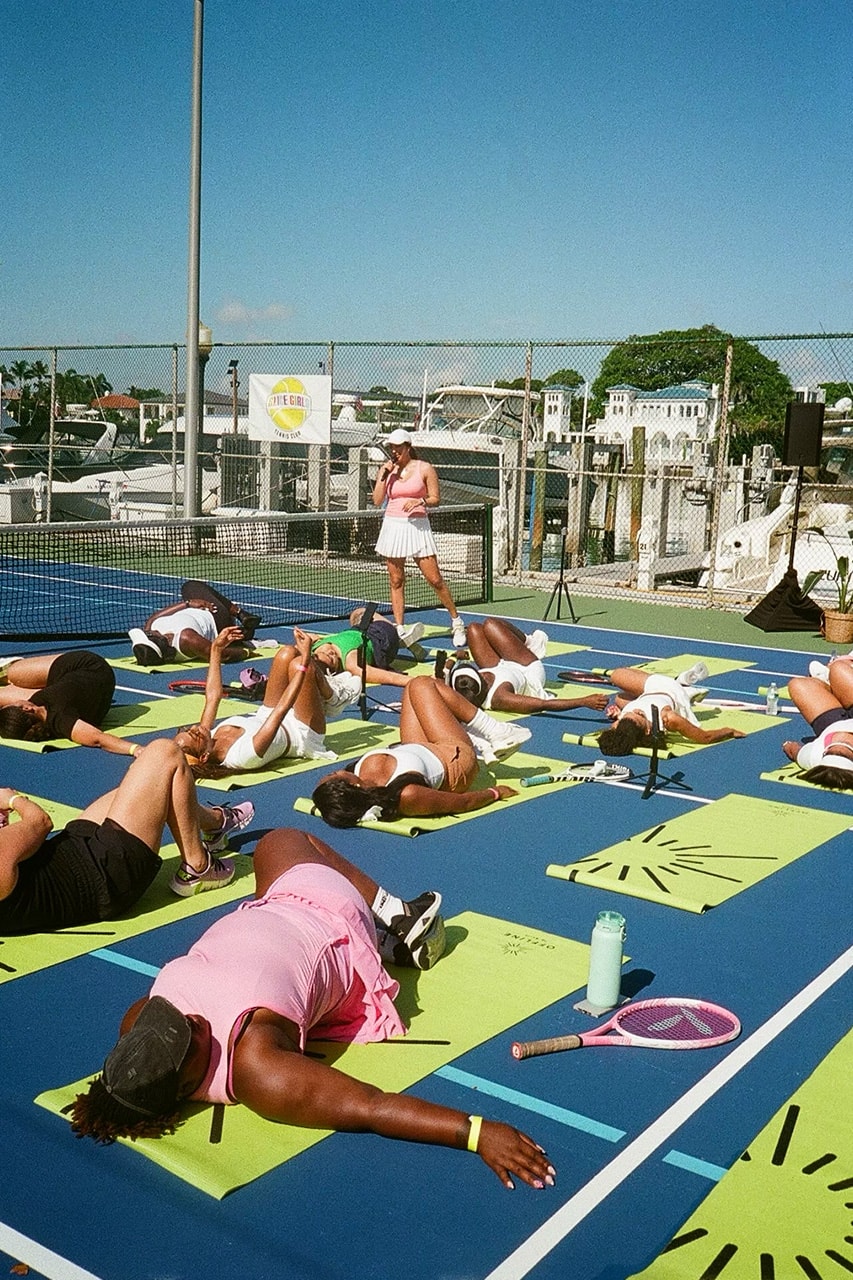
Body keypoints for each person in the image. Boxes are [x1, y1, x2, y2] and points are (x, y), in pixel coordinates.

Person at [67, 827, 556, 1193]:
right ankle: (392, 920)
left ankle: (392, 931)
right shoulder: (259, 1068)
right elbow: (370, 1107)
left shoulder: (141, 1025)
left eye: (168, 1018)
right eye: (186, 1037)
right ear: (184, 1084)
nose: (188, 1019)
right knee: (296, 841)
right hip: (329, 920)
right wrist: (476, 1133)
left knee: (273, 841)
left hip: (270, 906)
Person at [0, 738, 245, 933]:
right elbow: (40, 822)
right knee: (165, 753)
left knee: (150, 782)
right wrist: (13, 799)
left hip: (73, 854)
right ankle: (198, 865)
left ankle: (215, 823)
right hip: (106, 872)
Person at [311, 675, 530, 828]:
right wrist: (495, 793)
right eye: (332, 775)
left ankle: (478, 737)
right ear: (352, 786)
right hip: (454, 758)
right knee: (423, 685)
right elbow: (461, 803)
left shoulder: (357, 772)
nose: (332, 771)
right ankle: (495, 731)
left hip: (417, 749)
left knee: (412, 688)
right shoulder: (406, 796)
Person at [174, 626, 339, 777]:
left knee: (286, 653)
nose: (196, 728)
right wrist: (305, 660)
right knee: (297, 665)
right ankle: (334, 697)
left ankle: (321, 685)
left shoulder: (206, 737)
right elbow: (281, 709)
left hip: (267, 714)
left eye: (188, 729)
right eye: (194, 735)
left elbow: (213, 696)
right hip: (301, 731)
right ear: (204, 757)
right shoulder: (242, 756)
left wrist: (216, 649)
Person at [373, 428, 466, 649]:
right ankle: (399, 627)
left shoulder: (424, 468)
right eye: (391, 448)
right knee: (396, 580)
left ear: (407, 447)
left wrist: (420, 501)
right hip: (393, 526)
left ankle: (457, 622)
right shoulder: (388, 471)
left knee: (435, 579)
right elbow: (377, 500)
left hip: (418, 526)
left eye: (397, 447)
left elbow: (436, 498)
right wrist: (382, 475)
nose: (393, 452)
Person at [444, 617, 610, 716]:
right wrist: (584, 701)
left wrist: (454, 656)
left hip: (499, 667)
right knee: (491, 624)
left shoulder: (460, 686)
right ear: (481, 682)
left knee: (474, 628)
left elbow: (443, 672)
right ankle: (532, 644)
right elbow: (542, 705)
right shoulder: (500, 697)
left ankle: (524, 642)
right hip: (527, 672)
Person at [596, 663, 745, 756]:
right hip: (667, 690)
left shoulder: (622, 727)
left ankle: (684, 686)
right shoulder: (668, 718)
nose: (636, 712)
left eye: (628, 715)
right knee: (618, 675)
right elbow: (704, 737)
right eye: (639, 716)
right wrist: (729, 731)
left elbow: (613, 741)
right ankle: (682, 685)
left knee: (619, 697)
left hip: (645, 695)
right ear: (648, 731)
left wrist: (617, 714)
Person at [0, 650, 134, 754]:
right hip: (90, 666)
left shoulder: (56, 721)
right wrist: (136, 749)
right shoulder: (62, 719)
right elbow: (98, 738)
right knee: (14, 673)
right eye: (17, 703)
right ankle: (6, 669)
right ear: (27, 709)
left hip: (84, 687)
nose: (17, 701)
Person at [128, 580, 261, 667]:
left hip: (196, 608)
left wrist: (188, 603)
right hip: (217, 619)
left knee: (189, 587)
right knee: (191, 586)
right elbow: (222, 655)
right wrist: (247, 653)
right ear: (157, 640)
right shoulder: (186, 639)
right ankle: (240, 615)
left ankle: (244, 621)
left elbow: (154, 617)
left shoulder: (151, 627)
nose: (146, 632)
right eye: (147, 635)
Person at [781, 656, 853, 790]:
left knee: (798, 685)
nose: (840, 742)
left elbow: (793, 750)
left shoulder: (813, 756)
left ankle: (832, 685)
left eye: (831, 751)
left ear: (824, 754)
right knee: (839, 669)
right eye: (845, 751)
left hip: (832, 725)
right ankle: (837, 684)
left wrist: (787, 745)